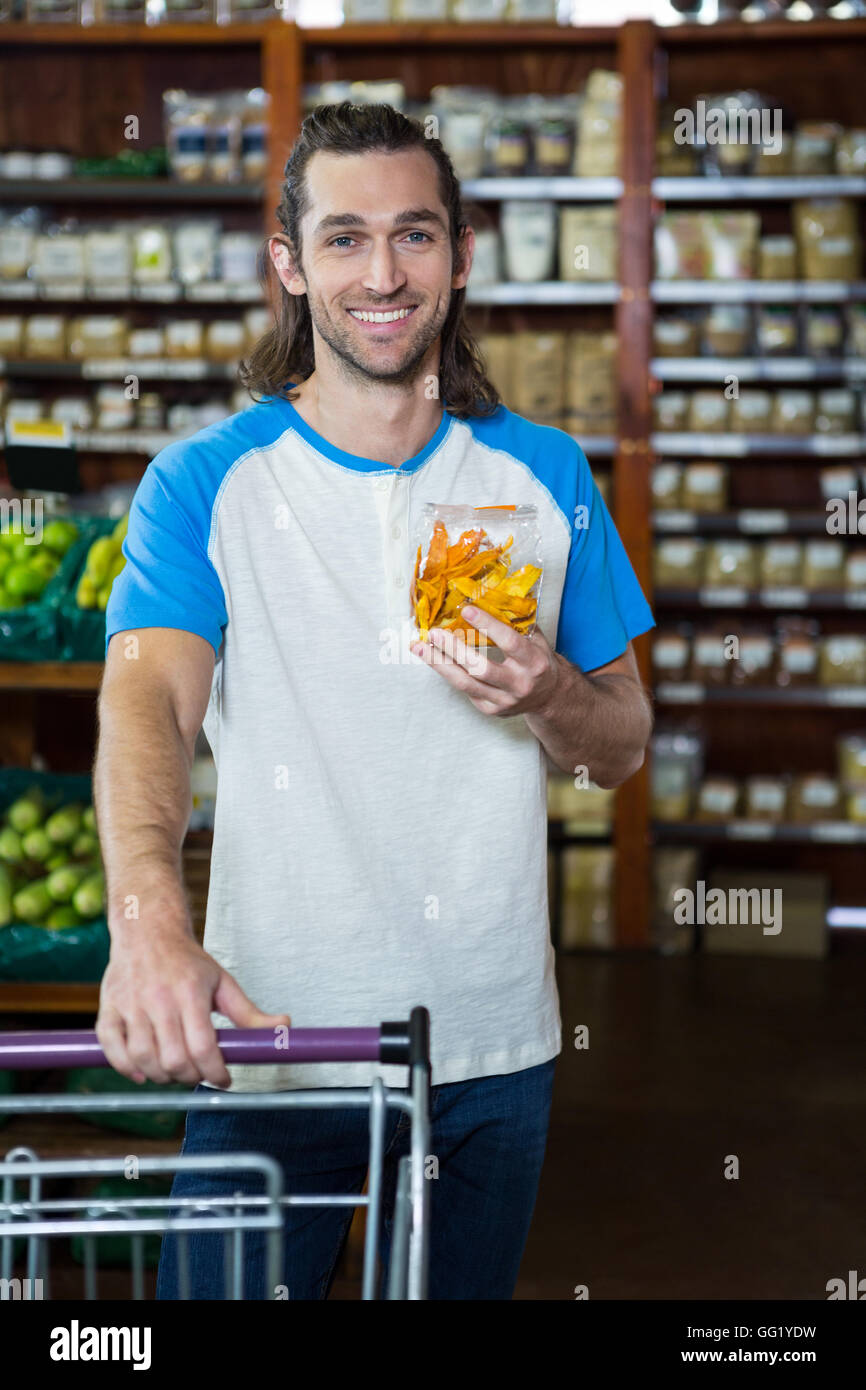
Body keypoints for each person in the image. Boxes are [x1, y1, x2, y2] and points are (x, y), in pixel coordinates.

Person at [94, 101, 654, 1301]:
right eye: (343, 238)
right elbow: (147, 704)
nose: (381, 273)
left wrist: (549, 689)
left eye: (413, 235)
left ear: (458, 257)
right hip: (270, 1039)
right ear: (291, 265)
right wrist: (145, 918)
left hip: (490, 1045)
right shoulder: (204, 483)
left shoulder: (540, 473)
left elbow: (620, 743)